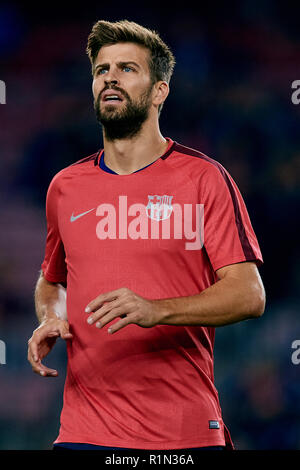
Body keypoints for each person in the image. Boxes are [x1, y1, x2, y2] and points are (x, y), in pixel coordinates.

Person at [27, 19, 265, 451]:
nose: (111, 77)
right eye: (102, 70)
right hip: (85, 433)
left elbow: (249, 294)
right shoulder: (65, 186)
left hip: (182, 434)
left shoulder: (204, 179)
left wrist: (157, 310)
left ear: (160, 91)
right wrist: (49, 315)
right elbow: (51, 278)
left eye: (127, 69)